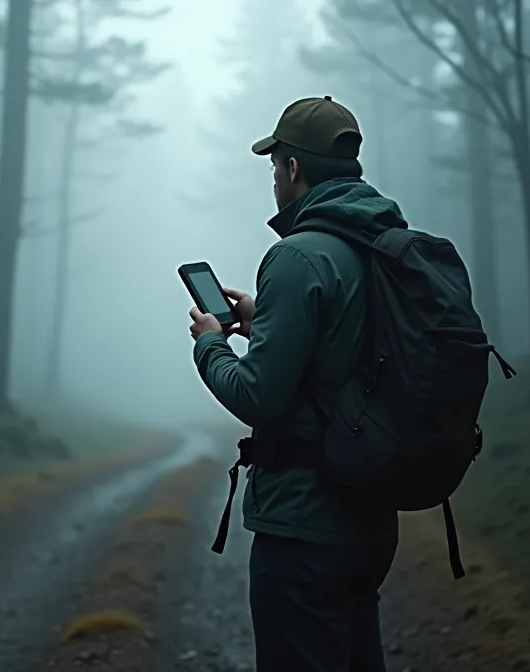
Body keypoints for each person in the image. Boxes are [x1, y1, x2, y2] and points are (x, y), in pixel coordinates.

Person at [187, 95, 402, 672]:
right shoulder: (380, 245)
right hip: (372, 517)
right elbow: (343, 350)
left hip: (306, 526)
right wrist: (266, 322)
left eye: (274, 165)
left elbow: (256, 394)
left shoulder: (298, 258)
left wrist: (211, 343)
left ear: (292, 168)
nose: (274, 179)